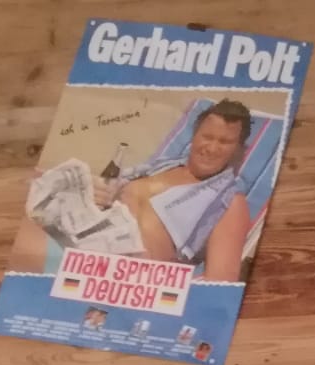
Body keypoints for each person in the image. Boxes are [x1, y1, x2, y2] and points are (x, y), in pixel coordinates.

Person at [95, 100, 255, 282]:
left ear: (239, 150)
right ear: (194, 136)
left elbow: (219, 283)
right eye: (207, 137)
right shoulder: (159, 167)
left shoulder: (231, 203)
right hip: (85, 254)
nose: (211, 148)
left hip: (131, 283)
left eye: (225, 142)